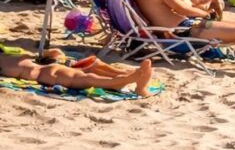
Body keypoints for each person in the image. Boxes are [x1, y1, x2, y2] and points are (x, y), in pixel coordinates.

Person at [0, 49, 153, 97]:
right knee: (88, 78)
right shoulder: (10, 60)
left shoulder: (10, 58)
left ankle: (125, 80)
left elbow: (51, 54)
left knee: (88, 77)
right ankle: (128, 80)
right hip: (47, 74)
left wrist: (46, 55)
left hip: (48, 71)